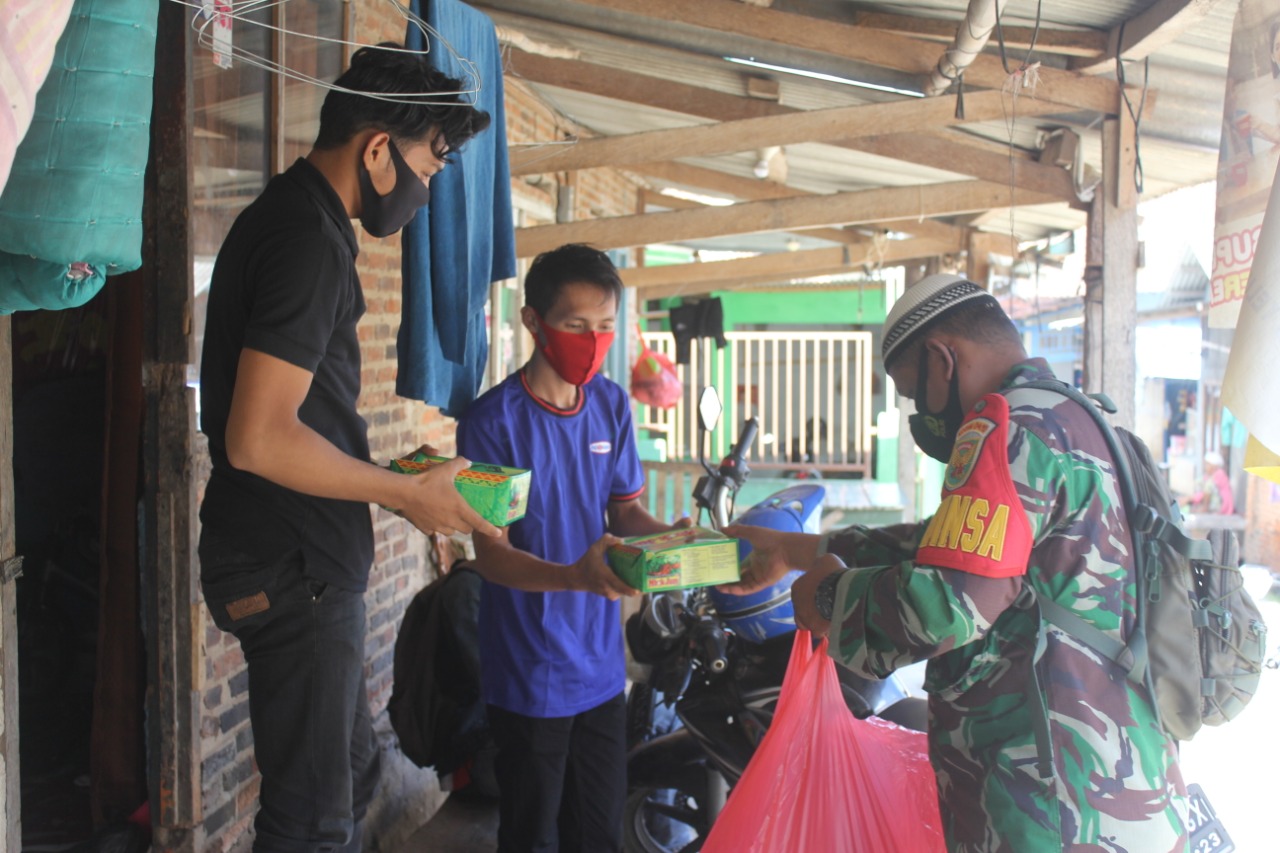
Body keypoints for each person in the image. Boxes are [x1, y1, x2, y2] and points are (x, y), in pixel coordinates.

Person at [723, 273, 1188, 852]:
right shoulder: (1079, 419)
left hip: (1049, 807)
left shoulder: (1008, 429)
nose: (920, 414)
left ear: (942, 358)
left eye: (914, 392)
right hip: (1125, 781)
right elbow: (947, 545)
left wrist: (824, 599)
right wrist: (798, 551)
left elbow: (944, 604)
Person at [197, 44, 500, 853]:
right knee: (311, 820)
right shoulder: (305, 240)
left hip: (296, 560)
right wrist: (403, 495)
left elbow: (299, 420)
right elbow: (258, 437)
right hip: (290, 566)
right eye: (429, 166)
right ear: (376, 149)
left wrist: (402, 478)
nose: (429, 189)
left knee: (349, 786)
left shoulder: (298, 221)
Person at [458, 244, 686, 853]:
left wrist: (673, 540)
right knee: (533, 836)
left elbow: (625, 510)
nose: (593, 341)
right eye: (576, 326)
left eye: (606, 327)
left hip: (601, 669)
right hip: (530, 672)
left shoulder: (610, 405)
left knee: (598, 832)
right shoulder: (491, 423)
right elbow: (491, 553)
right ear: (534, 323)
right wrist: (575, 577)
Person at [1179, 450, 1236, 515]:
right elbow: (1200, 488)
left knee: (1208, 486)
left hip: (1223, 506)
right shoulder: (1208, 476)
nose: (1205, 467)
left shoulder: (1220, 474)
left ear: (1214, 466)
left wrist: (1190, 498)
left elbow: (1206, 491)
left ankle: (1204, 509)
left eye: (1207, 464)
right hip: (1214, 503)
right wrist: (1189, 498)